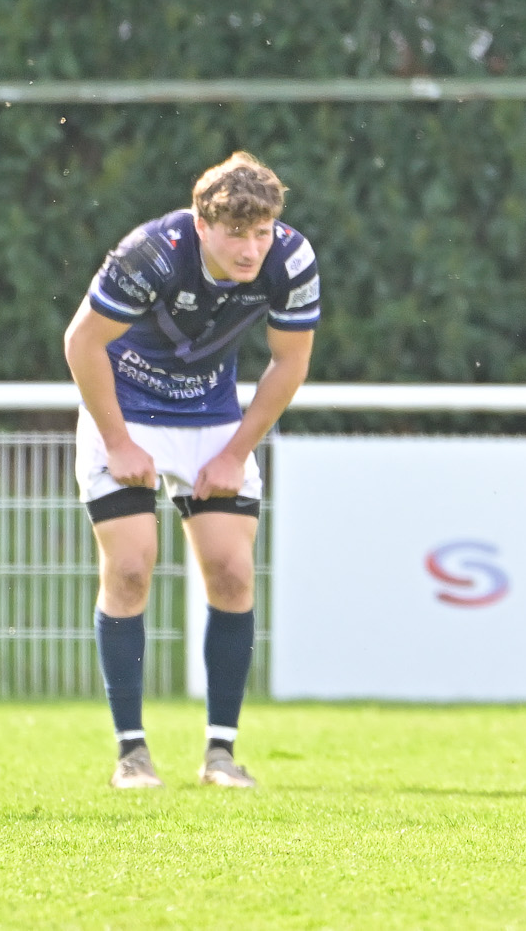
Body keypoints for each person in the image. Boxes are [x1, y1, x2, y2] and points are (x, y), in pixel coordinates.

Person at [63, 152, 319, 789]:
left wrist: (234, 452)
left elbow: (290, 361)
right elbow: (82, 341)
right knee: (129, 568)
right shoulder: (152, 253)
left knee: (232, 573)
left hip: (211, 418)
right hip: (125, 411)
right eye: (236, 233)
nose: (251, 248)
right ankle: (132, 755)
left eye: (261, 232)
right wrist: (119, 442)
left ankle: (221, 755)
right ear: (202, 225)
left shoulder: (291, 259)